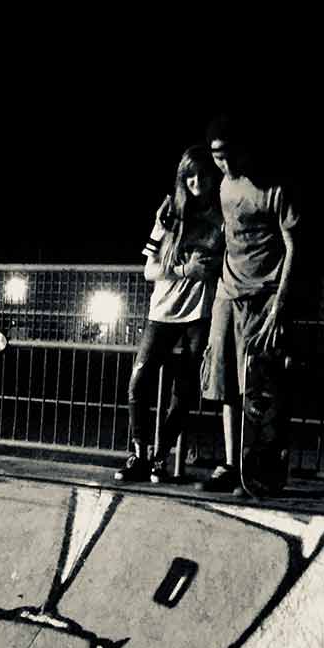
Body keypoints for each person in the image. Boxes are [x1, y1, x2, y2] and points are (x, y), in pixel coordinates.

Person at [194, 114, 300, 494]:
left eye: (228, 155)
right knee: (224, 383)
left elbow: (294, 248)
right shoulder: (223, 186)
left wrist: (279, 306)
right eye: (217, 157)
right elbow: (227, 231)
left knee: (258, 388)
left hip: (264, 296)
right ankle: (229, 464)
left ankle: (259, 467)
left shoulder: (276, 188)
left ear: (243, 148)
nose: (225, 164)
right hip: (228, 292)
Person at [115, 144, 224, 484]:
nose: (196, 182)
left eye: (202, 175)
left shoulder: (222, 215)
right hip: (162, 312)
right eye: (189, 175)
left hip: (199, 315)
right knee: (139, 381)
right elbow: (148, 269)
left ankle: (161, 459)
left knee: (185, 390)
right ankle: (139, 455)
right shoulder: (169, 213)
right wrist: (184, 269)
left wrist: (214, 269)